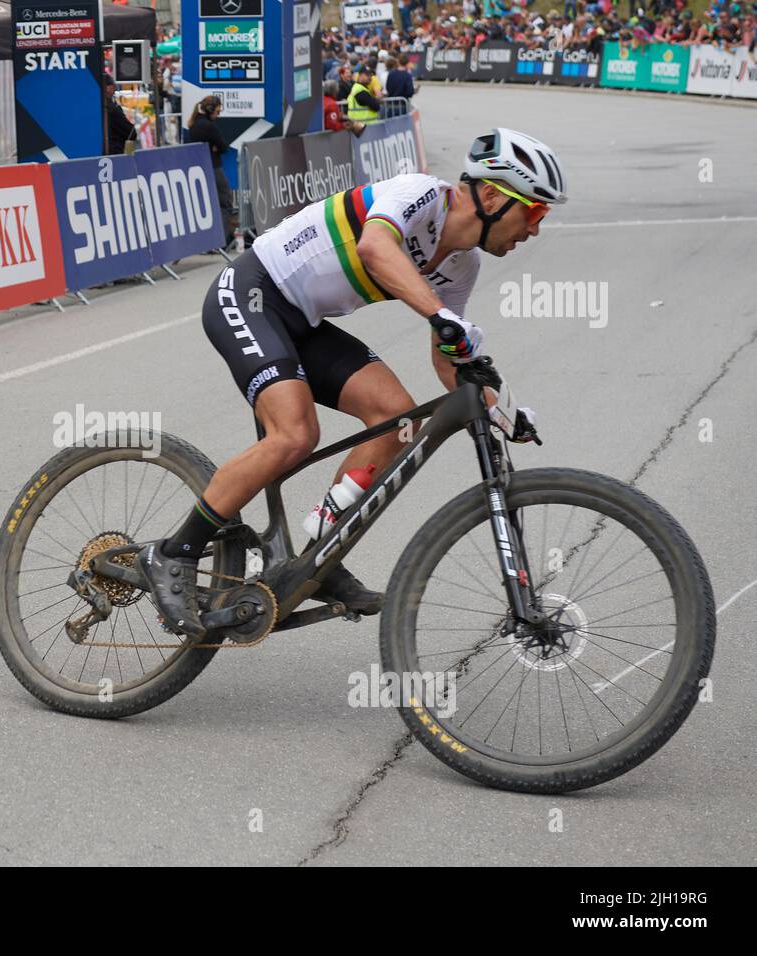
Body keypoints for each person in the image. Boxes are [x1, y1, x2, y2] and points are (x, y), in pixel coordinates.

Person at [135, 129, 566, 636]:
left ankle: (320, 555)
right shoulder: (420, 194)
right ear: (492, 195)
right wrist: (439, 314)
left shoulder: (461, 264)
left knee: (398, 421)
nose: (534, 229)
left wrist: (502, 408)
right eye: (534, 212)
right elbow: (376, 245)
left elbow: (448, 357)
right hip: (252, 294)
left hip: (303, 322)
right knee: (295, 434)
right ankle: (171, 553)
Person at [186, 95, 235, 250]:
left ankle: (207, 243)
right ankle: (219, 242)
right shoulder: (209, 126)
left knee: (207, 206)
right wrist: (215, 148)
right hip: (214, 168)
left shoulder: (194, 124)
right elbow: (223, 147)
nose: (218, 115)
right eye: (217, 111)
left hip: (200, 169)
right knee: (225, 203)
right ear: (210, 110)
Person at [103, 74, 138, 155]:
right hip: (114, 153)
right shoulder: (112, 109)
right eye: (113, 86)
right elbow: (131, 133)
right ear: (107, 88)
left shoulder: (94, 107)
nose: (114, 89)